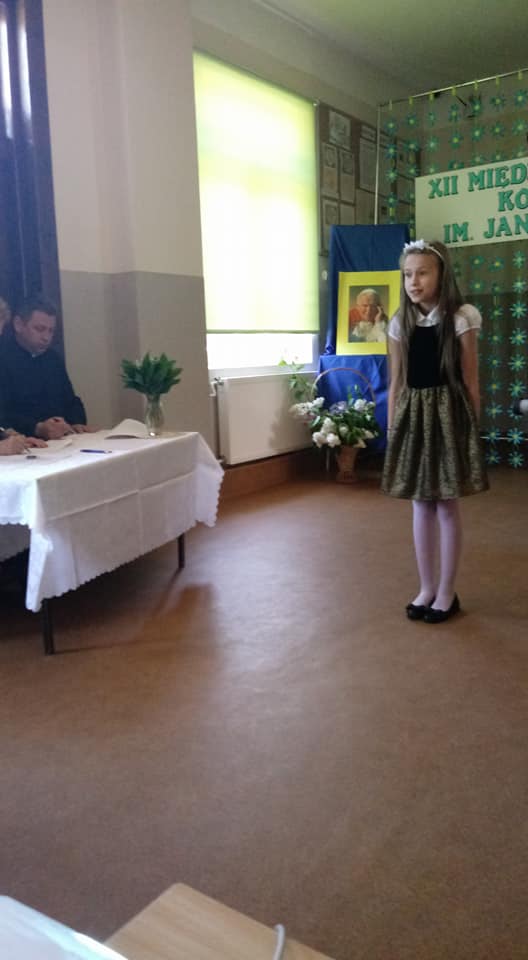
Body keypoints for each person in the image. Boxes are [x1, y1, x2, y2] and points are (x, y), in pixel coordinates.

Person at [381, 239, 488, 623]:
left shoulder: (461, 317)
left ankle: (446, 591)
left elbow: (471, 379)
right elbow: (396, 382)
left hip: (448, 415)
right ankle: (426, 587)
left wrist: (471, 430)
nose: (414, 282)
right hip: (414, 417)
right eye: (408, 274)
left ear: (442, 274)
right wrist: (393, 427)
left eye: (423, 273)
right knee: (420, 503)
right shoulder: (400, 322)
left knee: (445, 503)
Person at [0, 294, 93, 439]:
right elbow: (4, 414)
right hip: (24, 441)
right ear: (18, 324)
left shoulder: (53, 358)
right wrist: (36, 428)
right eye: (39, 329)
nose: (46, 337)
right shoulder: (3, 357)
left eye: (51, 331)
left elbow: (70, 400)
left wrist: (76, 422)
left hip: (63, 439)